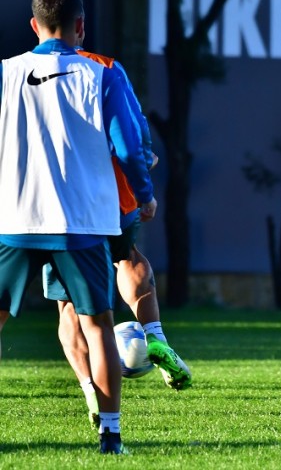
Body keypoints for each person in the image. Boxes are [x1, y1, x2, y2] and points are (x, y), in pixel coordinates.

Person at [0, 0, 156, 454]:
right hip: (81, 221)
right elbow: (130, 148)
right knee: (97, 327)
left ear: (33, 26)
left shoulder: (5, 73)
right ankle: (111, 436)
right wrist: (144, 196)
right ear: (80, 27)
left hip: (15, 215)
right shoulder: (100, 75)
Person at [45, 38, 192, 431]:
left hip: (54, 199)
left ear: (35, 25)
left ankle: (91, 391)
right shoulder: (104, 68)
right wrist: (143, 174)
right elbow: (131, 127)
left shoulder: (17, 71)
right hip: (110, 191)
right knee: (129, 258)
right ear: (79, 26)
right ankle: (154, 334)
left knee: (70, 308)